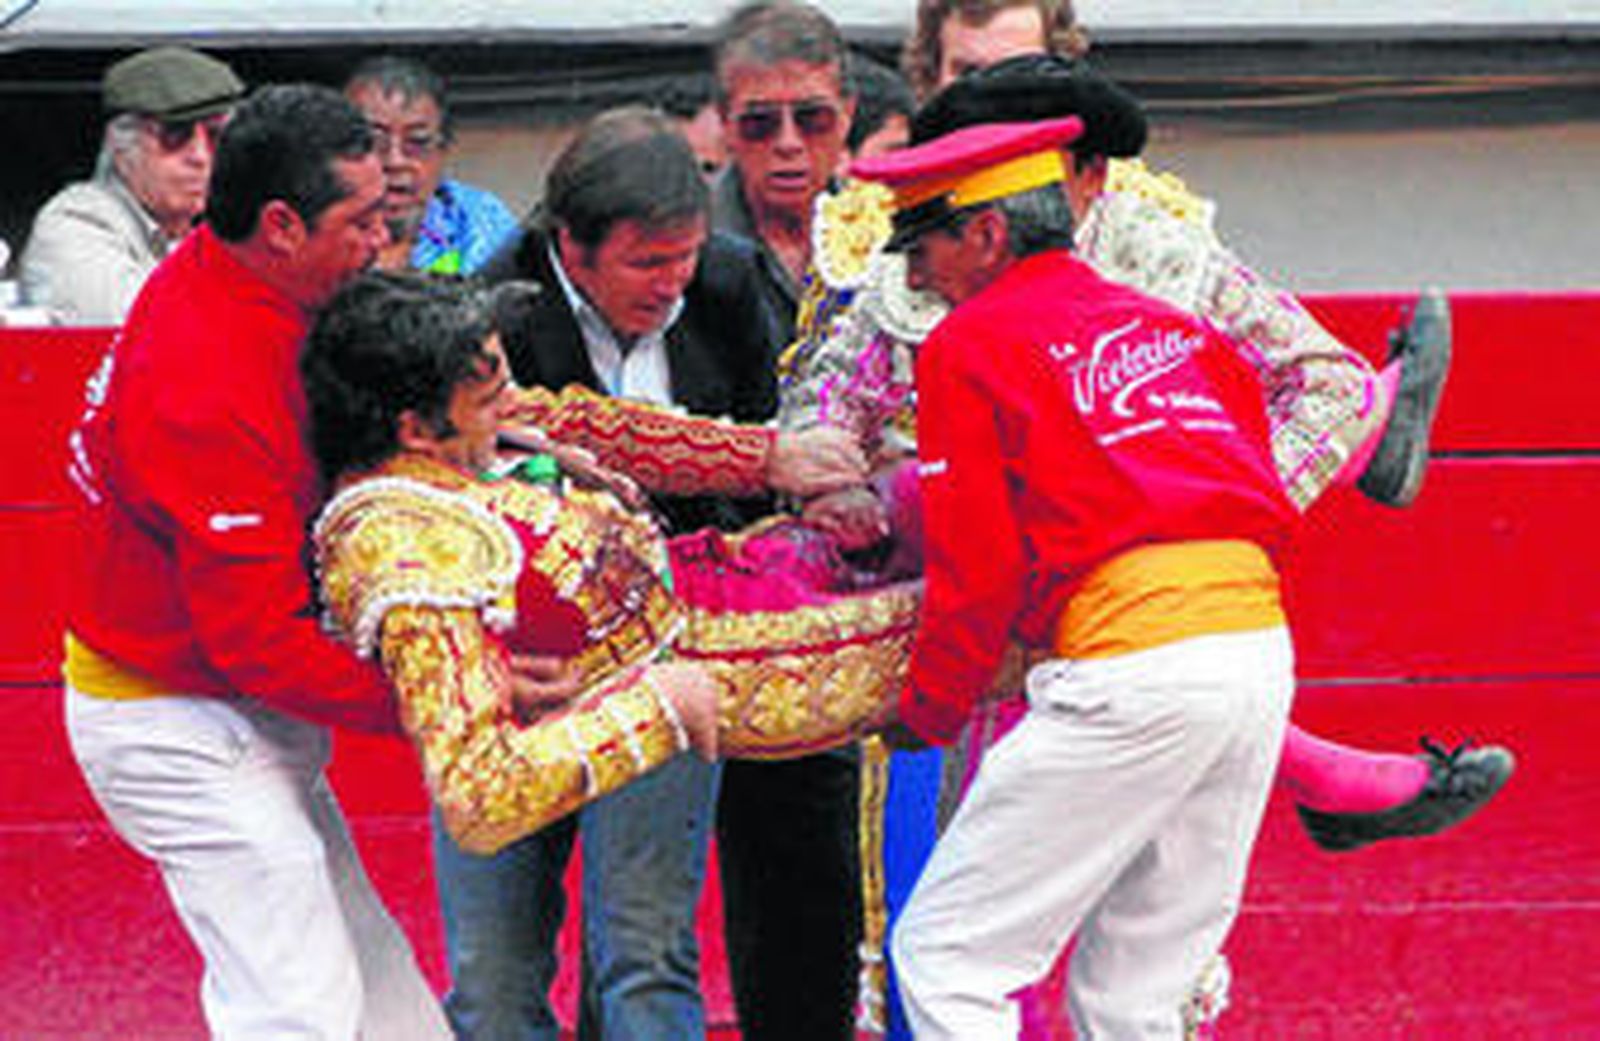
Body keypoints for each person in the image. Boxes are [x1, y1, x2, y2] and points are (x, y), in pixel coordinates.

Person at [854, 112, 1300, 1041]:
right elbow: (1258, 491)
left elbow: (975, 572)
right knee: (1138, 991)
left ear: (987, 232)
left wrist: (926, 712)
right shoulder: (1176, 329)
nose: (913, 275)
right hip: (1254, 657)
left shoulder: (968, 346)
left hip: (1133, 667)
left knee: (946, 954)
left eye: (923, 243)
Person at [450, 105, 863, 1041]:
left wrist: (816, 496)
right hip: (532, 664)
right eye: (647, 264)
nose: (672, 283)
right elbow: (555, 439)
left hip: (688, 646)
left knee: (649, 948)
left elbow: (791, 433)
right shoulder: (490, 309)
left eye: (683, 256)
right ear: (571, 246)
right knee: (498, 974)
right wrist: (765, 460)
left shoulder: (728, 276)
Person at [60, 83, 454, 1040]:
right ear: (280, 224)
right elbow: (255, 644)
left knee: (389, 1010)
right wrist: (443, 697)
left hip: (214, 702)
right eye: (359, 221)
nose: (379, 239)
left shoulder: (246, 278)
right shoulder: (204, 377)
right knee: (298, 1009)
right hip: (177, 720)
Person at [304, 269, 921, 857]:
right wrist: (656, 709)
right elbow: (481, 796)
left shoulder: (448, 437)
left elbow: (579, 420)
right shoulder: (403, 548)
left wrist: (765, 457)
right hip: (677, 679)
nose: (514, 406)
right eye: (492, 399)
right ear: (414, 429)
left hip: (718, 593)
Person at [708, 5, 874, 1037]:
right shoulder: (679, 238)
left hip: (871, 586)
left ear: (847, 114)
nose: (785, 145)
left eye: (810, 119)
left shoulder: (897, 229)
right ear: (720, 122)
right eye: (758, 122)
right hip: (729, 602)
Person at [19, 46, 243, 324]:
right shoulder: (75, 221)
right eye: (175, 135)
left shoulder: (215, 231)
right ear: (121, 144)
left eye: (215, 136)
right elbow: (145, 324)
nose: (200, 156)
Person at [344, 54, 518, 275]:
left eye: (417, 142)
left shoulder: (478, 218)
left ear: (443, 151)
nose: (395, 161)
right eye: (373, 142)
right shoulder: (310, 228)